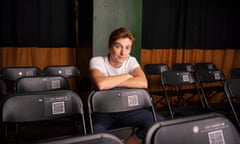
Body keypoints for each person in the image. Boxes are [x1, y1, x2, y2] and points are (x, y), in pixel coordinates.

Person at [89, 27, 165, 144]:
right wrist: (127, 75)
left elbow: (143, 82)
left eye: (127, 47)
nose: (123, 53)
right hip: (103, 111)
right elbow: (100, 84)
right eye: (118, 46)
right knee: (96, 135)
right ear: (110, 47)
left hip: (127, 110)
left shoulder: (131, 60)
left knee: (158, 122)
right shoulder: (97, 61)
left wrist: (111, 83)